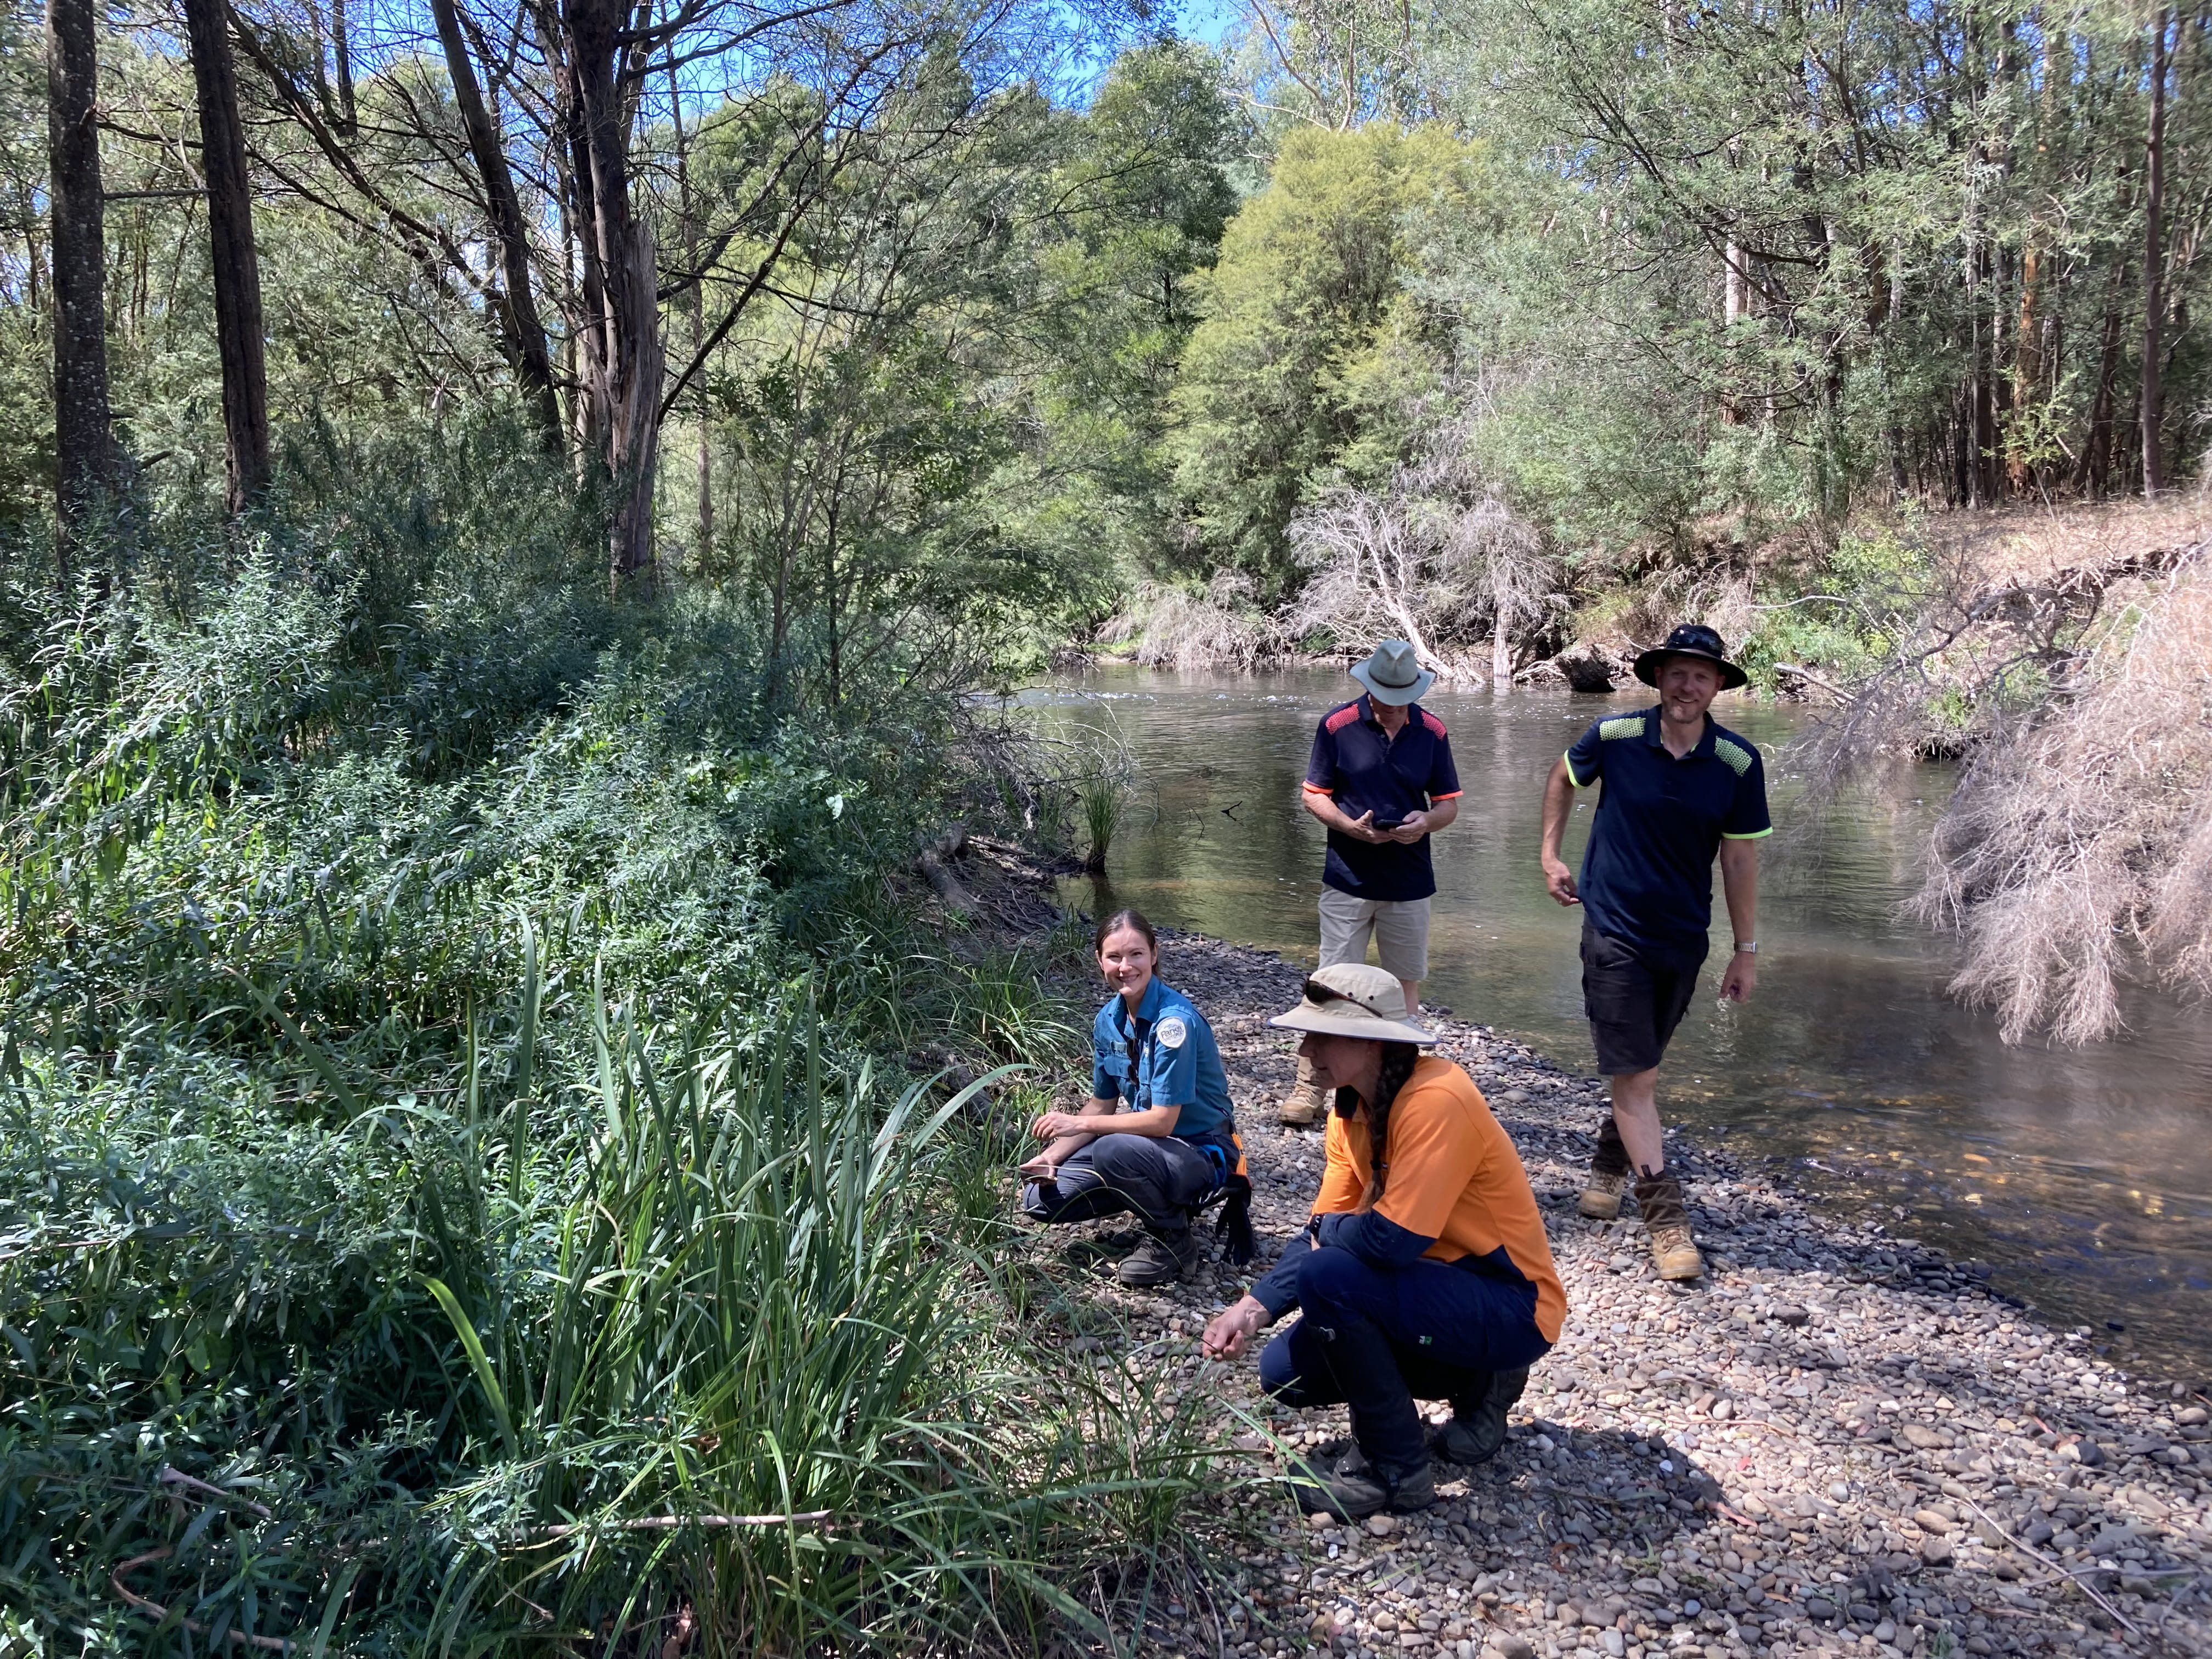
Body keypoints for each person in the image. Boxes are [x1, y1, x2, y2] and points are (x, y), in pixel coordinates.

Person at [1201, 964, 1565, 1519]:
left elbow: (1390, 1242)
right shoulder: (1350, 1111)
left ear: (1373, 1042)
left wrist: (1332, 1233)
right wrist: (1253, 1308)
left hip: (1512, 1304)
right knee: (1284, 1373)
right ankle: (1479, 1382)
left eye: (1321, 1034)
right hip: (1429, 1291)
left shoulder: (1438, 1098)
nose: (1306, 1047)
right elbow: (1324, 1230)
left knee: (1332, 1281)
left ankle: (1394, 1470)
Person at [1537, 623, 1771, 1282]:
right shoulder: (1614, 738)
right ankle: (1667, 1223)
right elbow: (1562, 776)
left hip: (1683, 936)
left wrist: (1745, 950)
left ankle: (1609, 1166)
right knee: (1636, 1075)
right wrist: (1550, 855)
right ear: (1659, 678)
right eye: (1677, 672)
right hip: (1611, 927)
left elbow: (1740, 856)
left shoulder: (1737, 762)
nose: (1687, 685)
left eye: (1701, 674)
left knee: (1645, 1063)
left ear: (1718, 685)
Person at [1280, 639, 1463, 1127]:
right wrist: (1346, 826)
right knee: (1330, 983)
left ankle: (1397, 1090)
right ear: (1368, 686)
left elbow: (1448, 804)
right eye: (1384, 694)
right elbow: (1312, 794)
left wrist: (1425, 822)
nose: (1393, 705)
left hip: (1409, 880)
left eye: (1402, 696)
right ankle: (1310, 1086)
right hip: (1347, 875)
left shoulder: (1432, 731)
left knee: (1405, 985)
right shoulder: (1337, 725)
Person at [1022, 909, 1252, 1286]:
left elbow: (1162, 1121)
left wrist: (1078, 1123)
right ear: (1100, 961)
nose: (1125, 967)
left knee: (1112, 1150)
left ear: (1154, 955)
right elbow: (1102, 1104)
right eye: (1114, 957)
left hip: (1203, 1152)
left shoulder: (1173, 1023)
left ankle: (1172, 1239)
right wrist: (1051, 1156)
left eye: (1136, 955)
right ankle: (1152, 1210)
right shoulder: (1107, 1021)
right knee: (1039, 1198)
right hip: (1155, 1150)